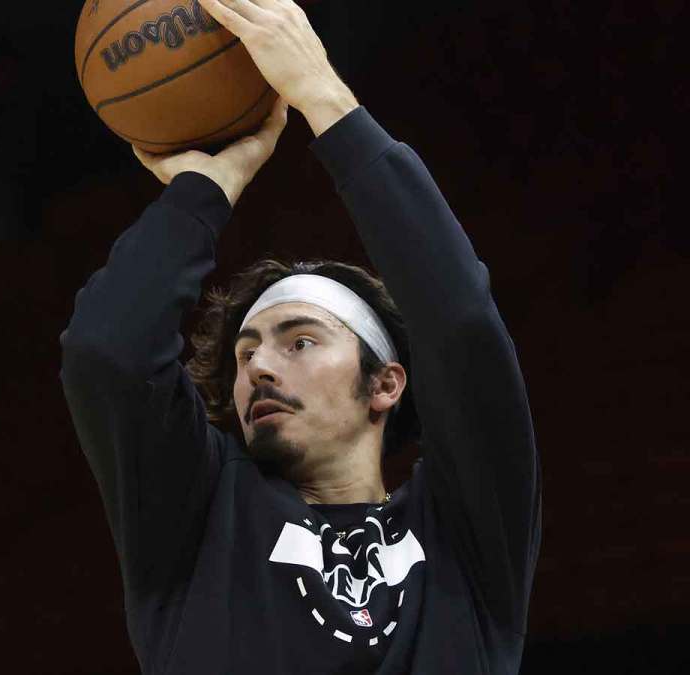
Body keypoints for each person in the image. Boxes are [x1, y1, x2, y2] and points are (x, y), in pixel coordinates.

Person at [58, 0, 542, 673]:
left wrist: (323, 96)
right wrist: (206, 188)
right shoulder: (197, 522)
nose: (258, 364)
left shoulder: (466, 534)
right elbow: (106, 350)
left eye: (300, 340)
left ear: (386, 381)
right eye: (246, 349)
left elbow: (461, 321)